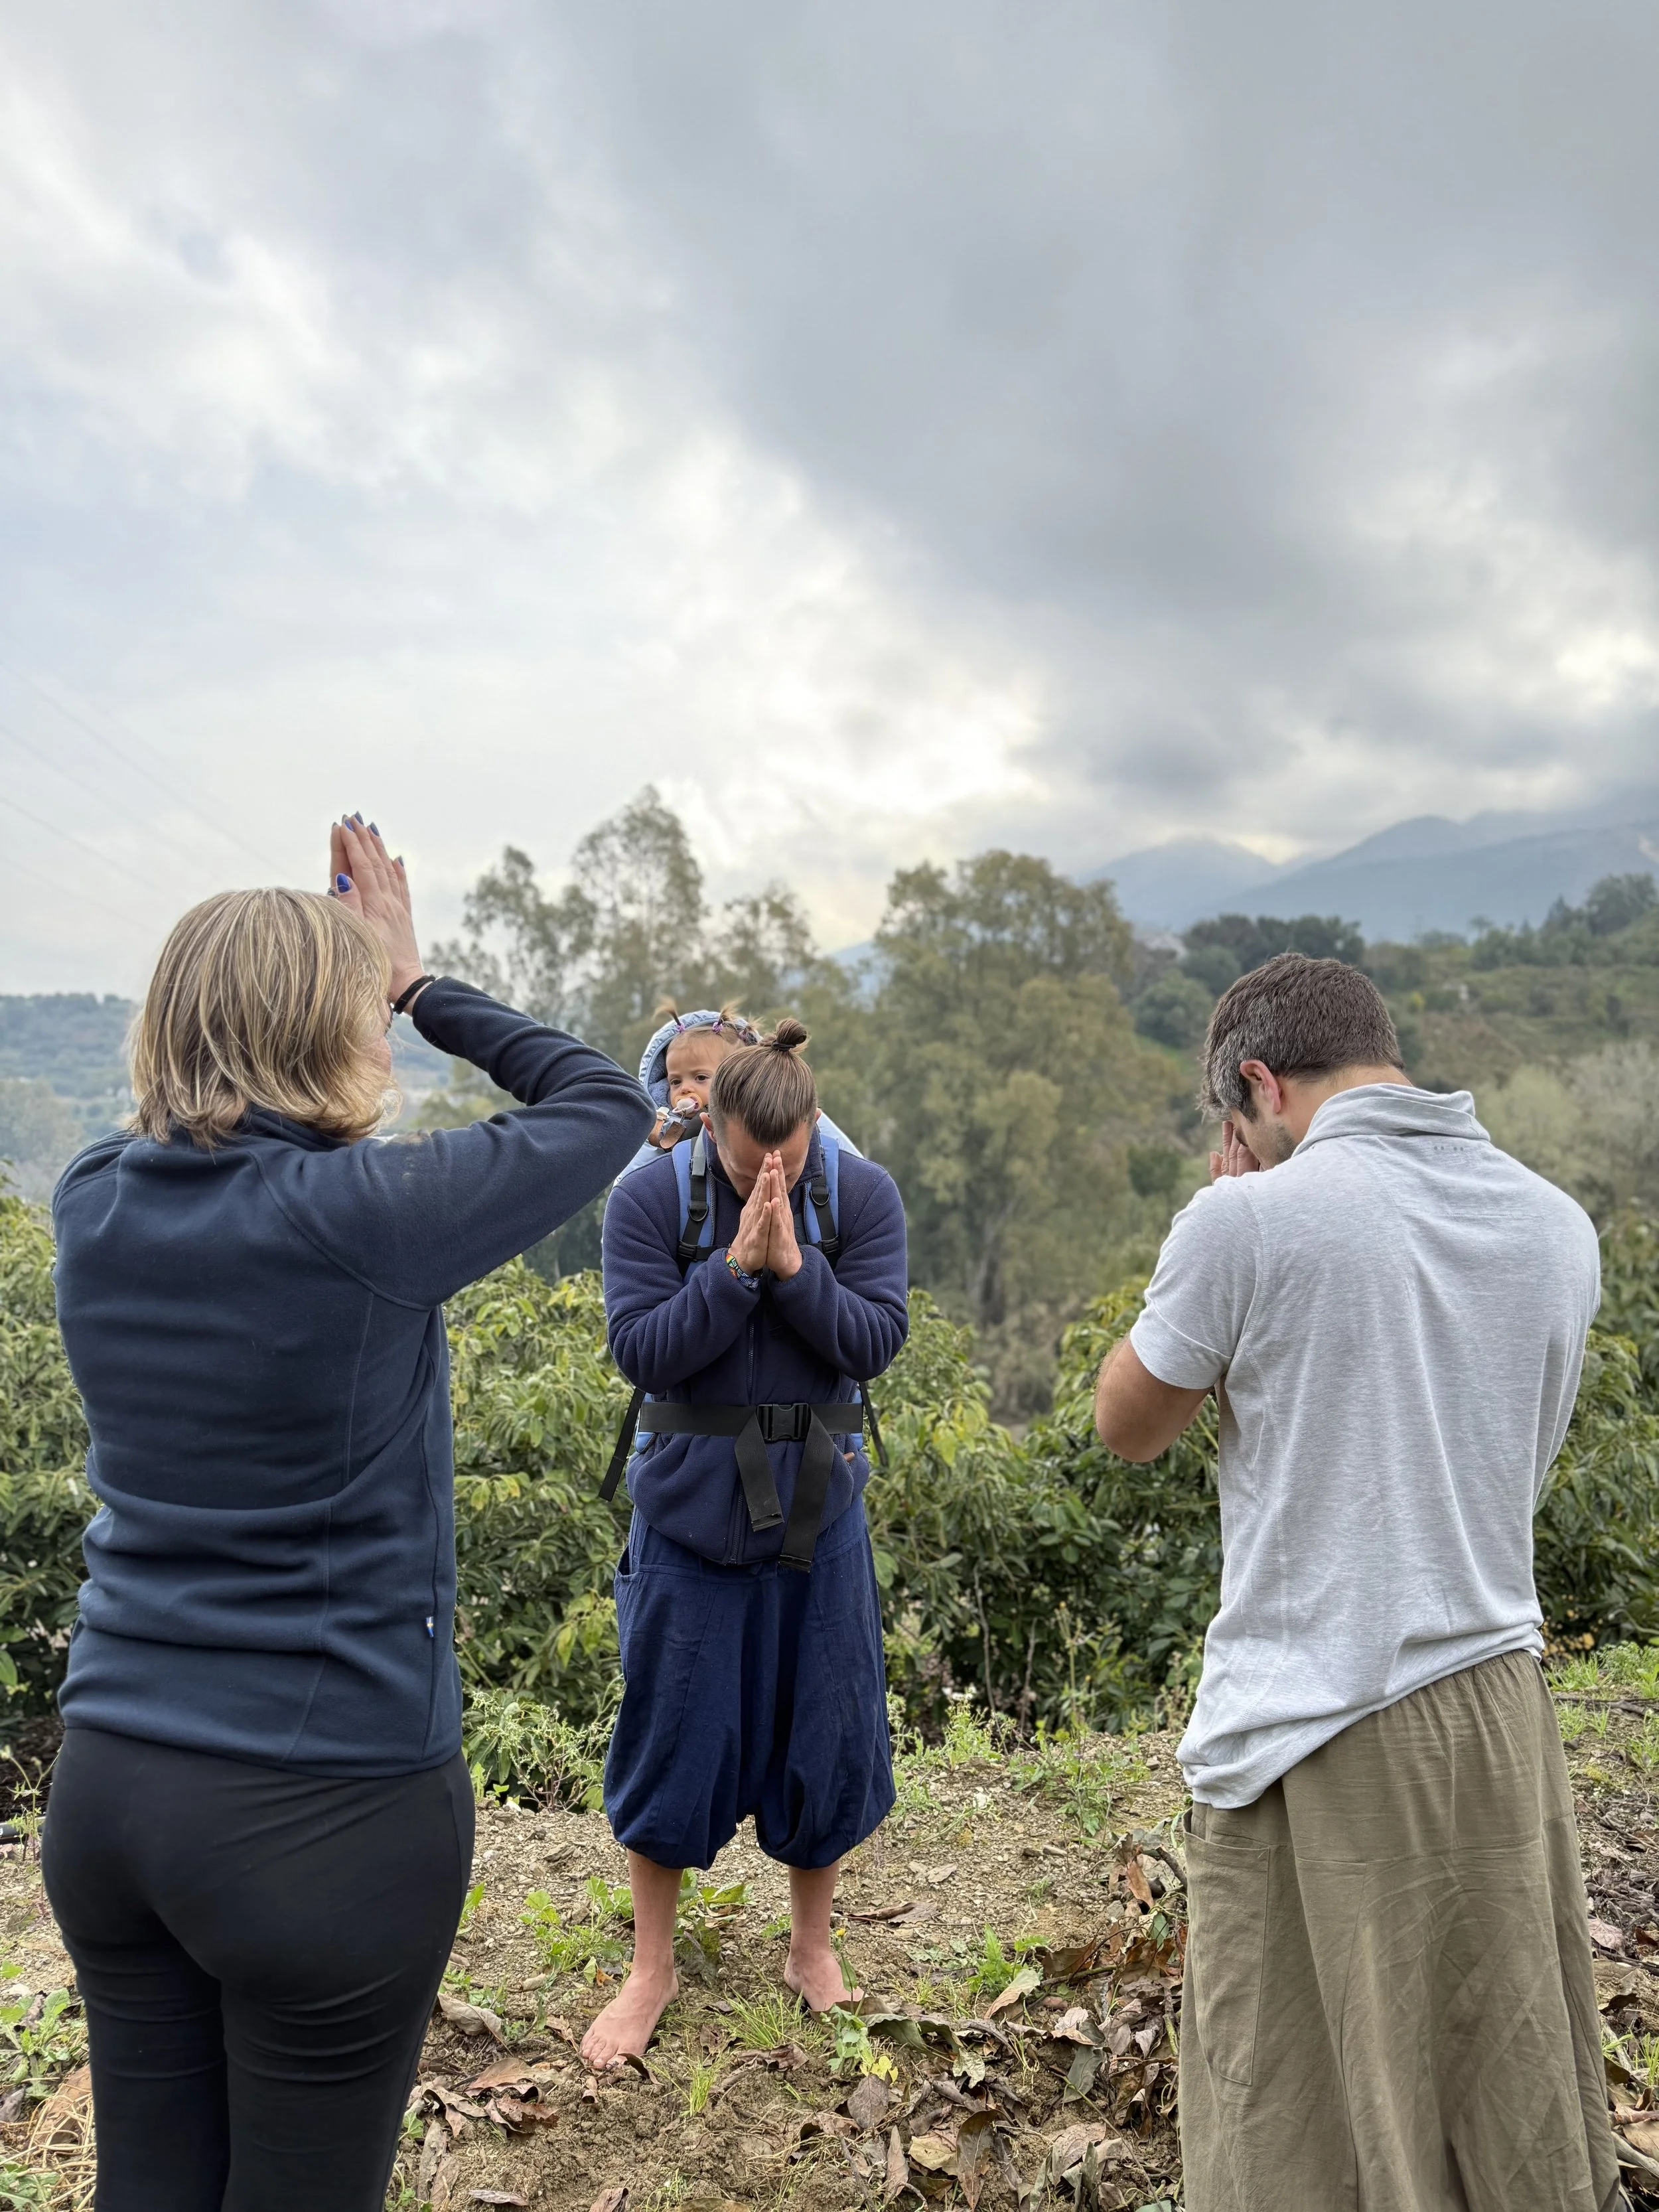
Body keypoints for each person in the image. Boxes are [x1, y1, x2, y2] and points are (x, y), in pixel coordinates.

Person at [40, 817, 652, 2212]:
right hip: (323, 1813)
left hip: (115, 1792)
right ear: (322, 1031)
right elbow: (603, 1105)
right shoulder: (367, 1216)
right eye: (361, 1016)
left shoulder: (91, 1202)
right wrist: (420, 980)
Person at [1094, 952, 1622, 2212]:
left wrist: (1227, 1220)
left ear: (1259, 1087)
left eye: (1239, 1124)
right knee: (1502, 2109)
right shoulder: (1556, 1221)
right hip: (1502, 1705)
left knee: (1293, 2114)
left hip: (1317, 1718)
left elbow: (1129, 1421)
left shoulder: (1246, 1218)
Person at [587, 1019, 906, 2067]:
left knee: (827, 1719)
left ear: (813, 1122)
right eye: (744, 1157)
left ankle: (811, 1947)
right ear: (706, 1120)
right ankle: (653, 1967)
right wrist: (731, 1272)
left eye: (791, 1152)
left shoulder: (859, 1196)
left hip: (818, 1495)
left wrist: (800, 1269)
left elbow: (875, 1340)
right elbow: (641, 1351)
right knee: (673, 1727)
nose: (768, 1171)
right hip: (691, 1501)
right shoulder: (648, 1198)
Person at [618, 1001, 861, 1177]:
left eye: (701, 1077)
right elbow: (629, 1186)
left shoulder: (785, 1109)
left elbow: (846, 1159)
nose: (685, 1089)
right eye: (675, 1082)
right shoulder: (665, 1131)